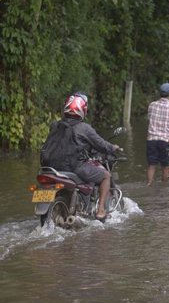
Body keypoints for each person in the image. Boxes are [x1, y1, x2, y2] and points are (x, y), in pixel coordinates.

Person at [40, 92, 120, 221]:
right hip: (73, 167)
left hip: (50, 168)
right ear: (83, 110)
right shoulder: (83, 128)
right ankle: (100, 211)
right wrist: (112, 147)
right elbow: (101, 144)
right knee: (106, 176)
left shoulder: (55, 125)